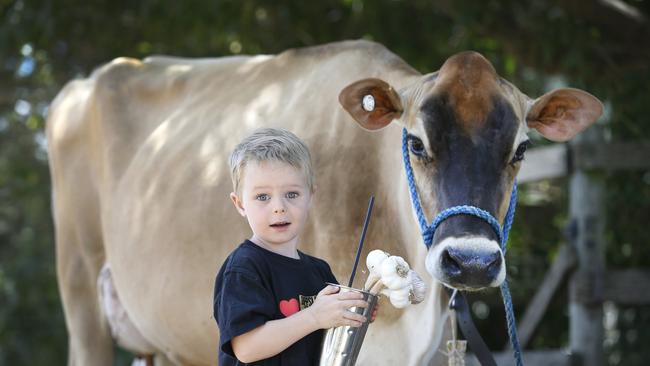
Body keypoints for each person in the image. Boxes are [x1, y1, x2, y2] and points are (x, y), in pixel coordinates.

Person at [213, 128, 370, 365]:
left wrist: (350, 311)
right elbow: (246, 347)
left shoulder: (319, 271)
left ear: (310, 196)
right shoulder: (244, 269)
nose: (279, 207)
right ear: (240, 204)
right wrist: (315, 316)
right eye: (263, 197)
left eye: (292, 194)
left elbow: (327, 333)